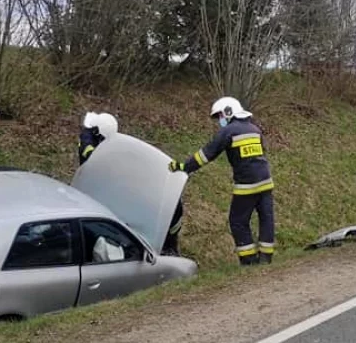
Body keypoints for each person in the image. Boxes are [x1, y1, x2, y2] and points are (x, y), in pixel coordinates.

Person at [168, 96, 276, 266]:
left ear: (228, 112)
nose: (220, 120)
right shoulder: (255, 129)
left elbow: (205, 155)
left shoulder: (228, 131)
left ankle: (249, 260)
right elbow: (262, 151)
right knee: (266, 218)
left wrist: (184, 167)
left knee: (238, 221)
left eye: (220, 116)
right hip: (266, 182)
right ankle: (266, 258)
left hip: (246, 186)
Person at [78, 111, 185, 256]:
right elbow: (94, 157)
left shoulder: (97, 141)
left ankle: (169, 246)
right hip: (97, 191)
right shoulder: (96, 143)